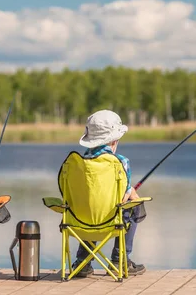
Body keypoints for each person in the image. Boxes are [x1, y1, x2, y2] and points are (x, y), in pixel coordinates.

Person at [72, 110, 146, 277]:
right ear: (114, 140)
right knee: (134, 206)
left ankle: (82, 262)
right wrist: (133, 193)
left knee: (90, 207)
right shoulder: (120, 162)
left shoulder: (77, 164)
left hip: (79, 222)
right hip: (111, 221)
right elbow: (127, 198)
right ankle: (119, 259)